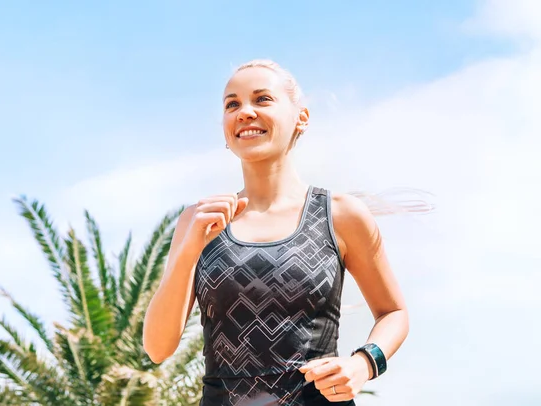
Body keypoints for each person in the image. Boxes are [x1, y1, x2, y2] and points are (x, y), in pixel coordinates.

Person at [143, 59, 413, 405]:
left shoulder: (341, 215)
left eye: (262, 99)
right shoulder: (198, 221)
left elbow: (394, 312)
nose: (245, 112)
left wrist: (363, 364)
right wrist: (188, 251)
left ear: (301, 117)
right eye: (232, 104)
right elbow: (157, 347)